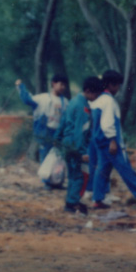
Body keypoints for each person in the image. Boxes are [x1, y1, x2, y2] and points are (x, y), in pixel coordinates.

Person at [90, 70, 136, 209]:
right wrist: (113, 141)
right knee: (124, 167)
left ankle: (98, 199)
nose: (118, 89)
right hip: (110, 142)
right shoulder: (109, 101)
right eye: (117, 86)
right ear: (111, 84)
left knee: (102, 169)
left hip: (100, 141)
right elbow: (107, 123)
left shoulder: (98, 100)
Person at [55, 76, 102, 215]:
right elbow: (80, 132)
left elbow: (63, 122)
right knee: (79, 177)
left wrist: (57, 139)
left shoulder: (73, 101)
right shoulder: (83, 107)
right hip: (75, 144)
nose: (97, 97)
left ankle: (70, 201)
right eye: (96, 94)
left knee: (73, 175)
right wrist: (81, 153)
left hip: (67, 142)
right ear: (88, 91)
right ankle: (72, 203)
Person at [15, 74, 68, 166]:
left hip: (59, 134)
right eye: (61, 84)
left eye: (65, 85)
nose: (63, 87)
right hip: (45, 133)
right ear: (54, 83)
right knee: (45, 160)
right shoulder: (43, 98)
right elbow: (27, 100)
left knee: (57, 161)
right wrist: (20, 86)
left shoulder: (66, 102)